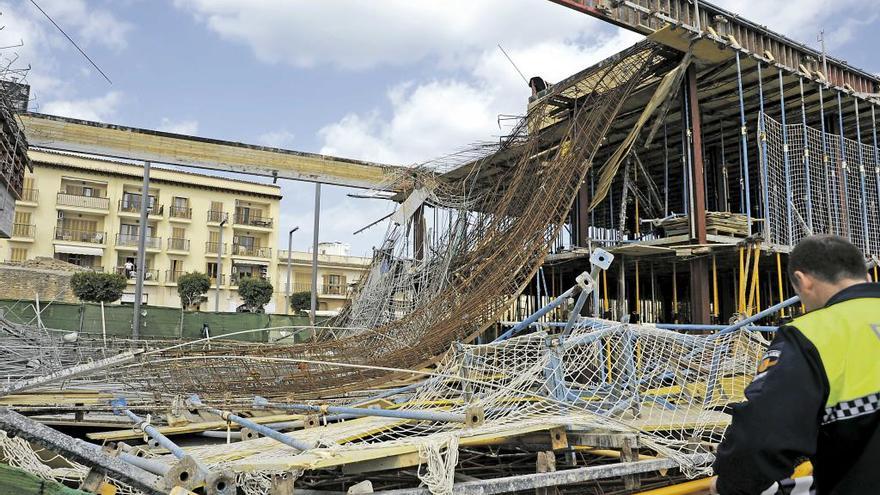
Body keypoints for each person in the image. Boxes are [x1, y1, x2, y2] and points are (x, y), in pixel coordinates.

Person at [711, 235, 879, 494]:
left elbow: (762, 436)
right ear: (866, 277)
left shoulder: (811, 335)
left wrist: (729, 485)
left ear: (803, 281)